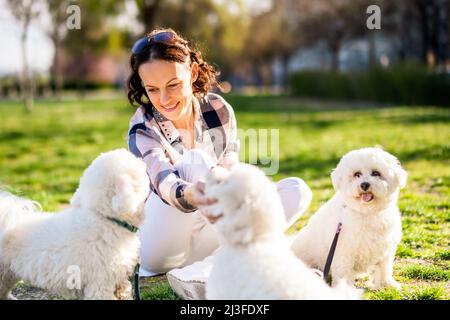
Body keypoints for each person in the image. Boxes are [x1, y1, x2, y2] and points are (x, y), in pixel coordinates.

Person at [126, 28, 312, 298]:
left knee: (296, 190)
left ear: (191, 73)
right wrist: (192, 192)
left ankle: (216, 264)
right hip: (160, 247)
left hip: (211, 234)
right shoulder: (142, 126)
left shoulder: (219, 109)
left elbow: (229, 170)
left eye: (173, 84)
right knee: (195, 160)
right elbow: (163, 182)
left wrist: (237, 197)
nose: (164, 99)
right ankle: (242, 255)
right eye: (152, 89)